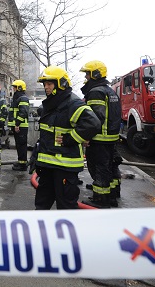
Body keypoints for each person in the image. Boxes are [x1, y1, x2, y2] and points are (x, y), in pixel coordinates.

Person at [28, 66, 101, 210]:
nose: (46, 87)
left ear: (61, 84)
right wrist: (36, 156)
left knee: (66, 206)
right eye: (45, 84)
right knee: (41, 204)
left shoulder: (72, 103)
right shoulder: (51, 103)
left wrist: (70, 138)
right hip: (47, 166)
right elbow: (46, 134)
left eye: (49, 84)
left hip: (65, 167)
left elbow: (93, 123)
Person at [80, 60, 122, 208]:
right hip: (111, 137)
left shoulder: (96, 92)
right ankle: (112, 194)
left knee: (99, 168)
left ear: (95, 74)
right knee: (110, 166)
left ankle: (100, 199)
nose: (86, 77)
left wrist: (87, 136)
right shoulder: (109, 91)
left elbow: (95, 118)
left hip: (99, 138)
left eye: (87, 74)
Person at [8, 79, 30, 170]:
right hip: (18, 126)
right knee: (19, 145)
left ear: (19, 88)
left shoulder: (23, 98)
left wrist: (17, 124)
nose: (13, 89)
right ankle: (21, 161)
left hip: (21, 126)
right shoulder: (17, 98)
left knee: (21, 145)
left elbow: (23, 112)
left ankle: (23, 165)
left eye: (15, 87)